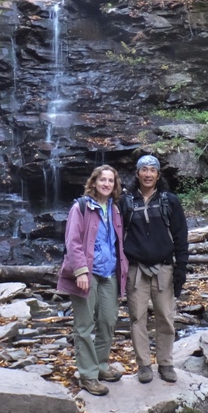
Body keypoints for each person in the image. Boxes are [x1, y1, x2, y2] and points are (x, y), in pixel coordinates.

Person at [58, 165, 128, 396]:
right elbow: (73, 241)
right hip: (87, 274)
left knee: (108, 320)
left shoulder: (115, 210)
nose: (106, 184)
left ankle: (101, 365)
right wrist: (80, 271)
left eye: (110, 180)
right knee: (85, 325)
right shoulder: (81, 207)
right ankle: (88, 375)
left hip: (109, 273)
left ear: (114, 185)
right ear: (94, 182)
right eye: (102, 180)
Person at [120, 155, 188, 384]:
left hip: (164, 269)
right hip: (135, 269)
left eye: (152, 170)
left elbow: (181, 236)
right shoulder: (126, 201)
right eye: (144, 170)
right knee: (137, 317)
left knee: (166, 317)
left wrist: (182, 268)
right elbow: (117, 237)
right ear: (137, 174)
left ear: (158, 175)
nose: (148, 174)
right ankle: (144, 365)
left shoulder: (170, 201)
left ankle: (166, 363)